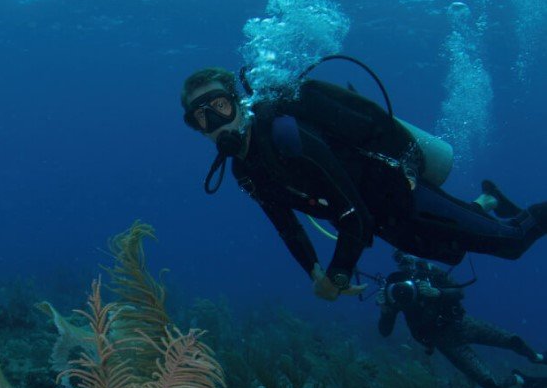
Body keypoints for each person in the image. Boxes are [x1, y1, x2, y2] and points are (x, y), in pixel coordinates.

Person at [180, 65, 547, 301]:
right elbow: (285, 224)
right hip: (388, 223)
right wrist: (313, 271)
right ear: (197, 130)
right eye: (202, 116)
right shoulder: (246, 170)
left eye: (220, 106)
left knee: (512, 243)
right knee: (454, 251)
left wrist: (336, 276)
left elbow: (352, 217)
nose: (216, 121)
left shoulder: (284, 134)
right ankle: (488, 200)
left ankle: (516, 212)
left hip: (403, 197)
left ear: (238, 104)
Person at [377, 250, 546, 388]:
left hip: (463, 324)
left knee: (512, 340)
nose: (405, 261)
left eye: (407, 254)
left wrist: (438, 293)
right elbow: (385, 332)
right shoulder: (393, 286)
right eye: (399, 257)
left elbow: (459, 292)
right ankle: (519, 379)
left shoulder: (429, 271)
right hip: (446, 343)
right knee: (492, 386)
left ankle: (537, 357)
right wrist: (385, 312)